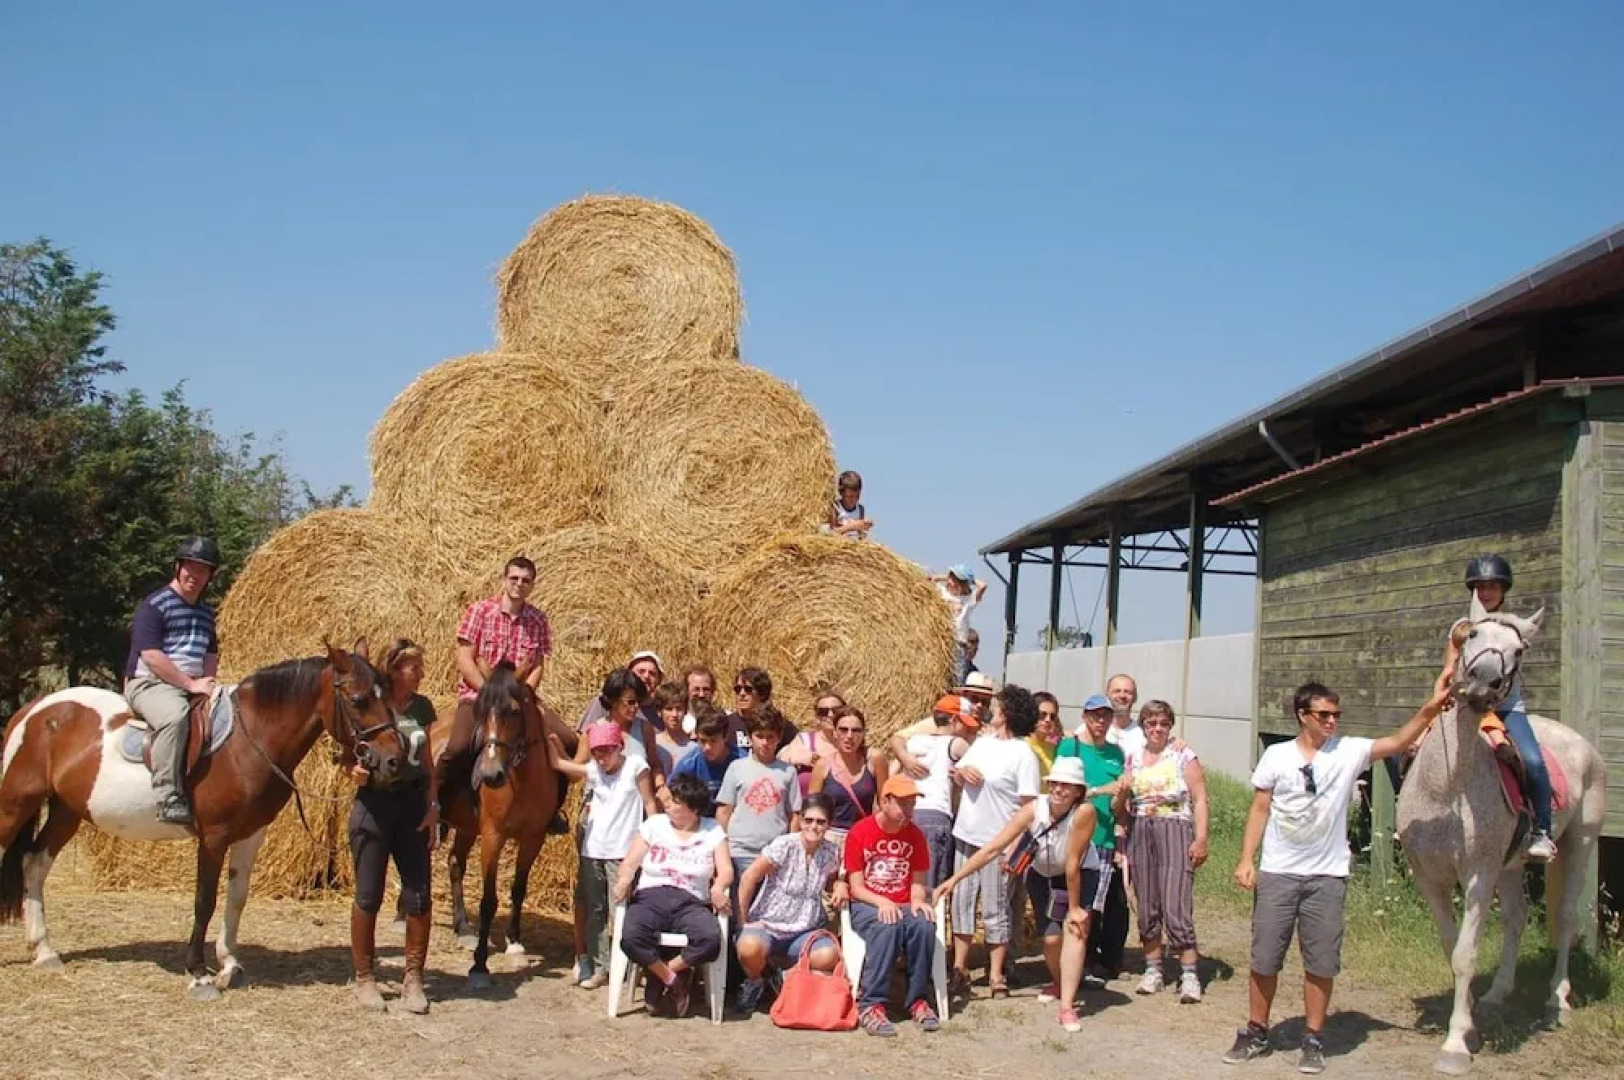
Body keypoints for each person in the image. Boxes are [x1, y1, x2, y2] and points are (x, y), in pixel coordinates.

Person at [1223, 676, 1453, 1074]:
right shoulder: (1276, 756)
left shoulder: (1349, 752)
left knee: (1322, 961)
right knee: (1265, 957)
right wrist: (1247, 859)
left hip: (1327, 876)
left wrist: (1430, 708)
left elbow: (1398, 742)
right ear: (1302, 716)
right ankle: (1256, 1031)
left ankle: (1313, 1038)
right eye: (1324, 714)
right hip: (1278, 872)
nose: (1332, 721)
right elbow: (1260, 808)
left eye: (1336, 714)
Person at [934, 756, 1096, 1020]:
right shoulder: (1034, 808)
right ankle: (1058, 982)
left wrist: (1076, 908)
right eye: (1054, 783)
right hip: (1042, 873)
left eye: (1066, 785)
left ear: (1078, 791)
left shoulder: (1084, 813)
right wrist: (955, 879)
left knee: (1076, 930)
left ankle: (1067, 1006)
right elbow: (993, 848)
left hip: (1078, 874)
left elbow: (1073, 866)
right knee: (1052, 939)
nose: (1058, 789)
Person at [1438, 554, 1556, 862]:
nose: (1486, 592)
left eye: (1492, 586)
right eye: (1480, 586)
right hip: (1464, 702)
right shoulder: (1462, 626)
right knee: (1406, 751)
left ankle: (1542, 830)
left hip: (1505, 707)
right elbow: (1450, 664)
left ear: (1503, 590)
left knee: (1532, 761)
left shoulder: (1515, 627)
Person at [347, 638, 437, 1014]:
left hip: (414, 805)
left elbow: (430, 763)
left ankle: (413, 979)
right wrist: (351, 770)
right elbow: (347, 751)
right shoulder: (373, 702)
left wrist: (434, 806)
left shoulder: (422, 707)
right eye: (412, 666)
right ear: (395, 669)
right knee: (369, 894)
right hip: (375, 803)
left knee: (418, 895)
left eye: (420, 666)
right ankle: (365, 978)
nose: (420, 673)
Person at [434, 556, 555, 811]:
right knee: (457, 747)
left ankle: (552, 811)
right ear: (504, 580)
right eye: (514, 578)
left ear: (532, 585)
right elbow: (465, 660)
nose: (519, 584)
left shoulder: (538, 620)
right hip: (478, 697)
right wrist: (489, 692)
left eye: (525, 581)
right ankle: (438, 804)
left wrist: (526, 693)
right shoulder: (479, 611)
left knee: (565, 740)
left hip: (518, 700)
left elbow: (538, 666)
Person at [948, 683, 1042, 998]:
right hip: (966, 835)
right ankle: (959, 969)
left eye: (998, 706)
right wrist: (964, 774)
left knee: (996, 907)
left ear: (1009, 713)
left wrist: (1015, 847)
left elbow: (1029, 805)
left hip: (1000, 840)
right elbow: (956, 774)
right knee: (961, 902)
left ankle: (997, 973)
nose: (993, 710)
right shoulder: (983, 743)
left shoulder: (1023, 753)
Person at [613, 773, 733, 1019]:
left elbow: (726, 870)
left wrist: (718, 887)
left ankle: (664, 973)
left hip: (691, 901)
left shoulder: (712, 830)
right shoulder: (654, 824)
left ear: (694, 809)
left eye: (676, 802)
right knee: (631, 936)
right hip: (651, 896)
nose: (668, 805)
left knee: (710, 939)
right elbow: (630, 862)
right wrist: (624, 880)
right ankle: (672, 979)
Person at [123, 536, 223, 825]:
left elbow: (210, 654)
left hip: (191, 682)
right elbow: (151, 655)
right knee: (174, 716)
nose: (195, 576)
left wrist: (208, 682)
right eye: (190, 568)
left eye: (202, 570)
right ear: (178, 568)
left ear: (210, 576)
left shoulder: (206, 614)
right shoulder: (155, 605)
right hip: (150, 683)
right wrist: (190, 685)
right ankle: (168, 795)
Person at [550, 722, 657, 990]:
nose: (601, 757)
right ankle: (601, 967)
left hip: (623, 852)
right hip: (593, 850)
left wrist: (656, 836)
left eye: (607, 751)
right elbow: (561, 765)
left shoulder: (636, 766)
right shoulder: (595, 771)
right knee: (596, 911)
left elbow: (649, 802)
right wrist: (552, 741)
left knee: (623, 910)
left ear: (619, 747)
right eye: (597, 751)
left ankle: (630, 966)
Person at [1123, 700, 1209, 1003]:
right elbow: (1125, 799)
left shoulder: (1184, 755)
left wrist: (1200, 839)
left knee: (1175, 901)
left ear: (1170, 725)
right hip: (1141, 829)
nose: (1157, 729)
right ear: (1143, 727)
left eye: (1162, 723)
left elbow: (1199, 799)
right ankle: (1154, 969)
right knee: (1147, 903)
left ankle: (1188, 975)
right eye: (1151, 723)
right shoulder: (1133, 757)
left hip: (1175, 828)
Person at [844, 775, 941, 1037]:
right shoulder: (860, 832)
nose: (908, 811)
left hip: (902, 901)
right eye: (903, 804)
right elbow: (856, 887)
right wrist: (882, 901)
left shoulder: (916, 835)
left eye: (911, 804)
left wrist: (918, 902)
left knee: (923, 924)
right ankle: (871, 1004)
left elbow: (918, 882)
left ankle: (918, 1000)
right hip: (868, 902)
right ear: (885, 801)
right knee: (888, 923)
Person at [732, 792, 845, 1014]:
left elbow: (831, 882)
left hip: (804, 928)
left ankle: (782, 978)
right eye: (808, 820)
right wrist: (743, 921)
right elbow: (749, 877)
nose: (813, 826)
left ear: (828, 825)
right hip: (769, 923)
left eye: (820, 822)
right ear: (801, 820)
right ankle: (755, 982)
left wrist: (841, 883)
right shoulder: (784, 845)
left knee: (829, 955)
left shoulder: (832, 852)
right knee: (748, 947)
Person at [1055, 694, 1131, 983]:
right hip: (1073, 835)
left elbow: (1116, 806)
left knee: (1092, 905)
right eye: (1095, 715)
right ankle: (1069, 965)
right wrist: (1102, 789)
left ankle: (1084, 964)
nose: (1101, 721)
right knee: (1069, 900)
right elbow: (1062, 792)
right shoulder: (1069, 747)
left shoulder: (1117, 753)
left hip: (1103, 838)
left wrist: (1121, 792)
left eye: (1106, 716)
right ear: (1085, 716)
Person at [717, 715, 803, 909]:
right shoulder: (736, 768)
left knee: (768, 910)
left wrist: (790, 851)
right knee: (737, 911)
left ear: (779, 737)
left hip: (773, 855)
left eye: (770, 737)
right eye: (760, 736)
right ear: (749, 737)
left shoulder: (788, 772)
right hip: (739, 852)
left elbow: (794, 815)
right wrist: (721, 849)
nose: (765, 742)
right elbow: (724, 811)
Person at [894, 695, 978, 888]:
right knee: (930, 885)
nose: (967, 729)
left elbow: (894, 764)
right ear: (954, 720)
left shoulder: (913, 742)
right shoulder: (957, 744)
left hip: (908, 813)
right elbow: (979, 767)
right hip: (936, 815)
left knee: (905, 880)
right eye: (965, 723)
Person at [808, 706, 887, 852]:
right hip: (829, 837)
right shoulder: (823, 765)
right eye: (843, 730)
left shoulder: (875, 759)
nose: (849, 736)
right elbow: (812, 807)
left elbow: (885, 802)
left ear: (863, 734)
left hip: (862, 836)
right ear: (835, 733)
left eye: (856, 730)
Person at [779, 689, 845, 798]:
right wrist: (801, 757)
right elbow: (781, 760)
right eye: (823, 712)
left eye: (836, 710)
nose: (830, 715)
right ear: (817, 716)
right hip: (807, 811)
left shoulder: (851, 742)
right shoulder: (805, 741)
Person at [666, 706, 734, 812]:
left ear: (725, 737)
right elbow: (669, 793)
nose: (707, 747)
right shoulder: (689, 764)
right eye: (702, 741)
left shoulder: (740, 761)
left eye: (713, 741)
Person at [931, 566, 988, 684]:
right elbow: (931, 580)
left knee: (957, 678)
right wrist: (946, 577)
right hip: (941, 640)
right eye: (950, 578)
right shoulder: (943, 592)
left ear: (961, 583)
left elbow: (983, 586)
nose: (950, 582)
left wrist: (969, 579)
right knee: (936, 676)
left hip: (958, 642)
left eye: (954, 579)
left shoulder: (969, 600)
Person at [725, 667, 798, 758]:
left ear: (762, 694)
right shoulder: (725, 724)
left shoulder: (779, 725)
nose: (742, 693)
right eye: (738, 689)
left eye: (748, 689)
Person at [652, 680, 698, 776]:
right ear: (659, 712)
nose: (674, 714)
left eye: (679, 709)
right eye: (669, 709)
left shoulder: (694, 748)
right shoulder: (653, 744)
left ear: (686, 711)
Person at [1103, 673, 1145, 758]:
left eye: (1127, 692)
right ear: (1107, 695)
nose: (1122, 696)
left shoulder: (1144, 733)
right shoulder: (1092, 730)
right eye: (1117, 691)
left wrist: (1175, 742)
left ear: (1135, 697)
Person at [827, 470, 874, 540]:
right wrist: (852, 526)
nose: (854, 499)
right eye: (850, 496)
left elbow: (860, 534)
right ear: (841, 493)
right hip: (840, 543)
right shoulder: (836, 507)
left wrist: (865, 526)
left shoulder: (860, 509)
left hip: (854, 544)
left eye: (857, 496)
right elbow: (832, 532)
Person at [1030, 692, 1063, 778]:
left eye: (1052, 716)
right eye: (1042, 715)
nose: (1048, 720)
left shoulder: (1055, 750)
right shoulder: (1020, 744)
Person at [682, 665, 718, 734]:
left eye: (706, 689)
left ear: (713, 691)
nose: (701, 694)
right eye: (696, 689)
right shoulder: (678, 723)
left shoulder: (725, 719)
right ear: (686, 690)